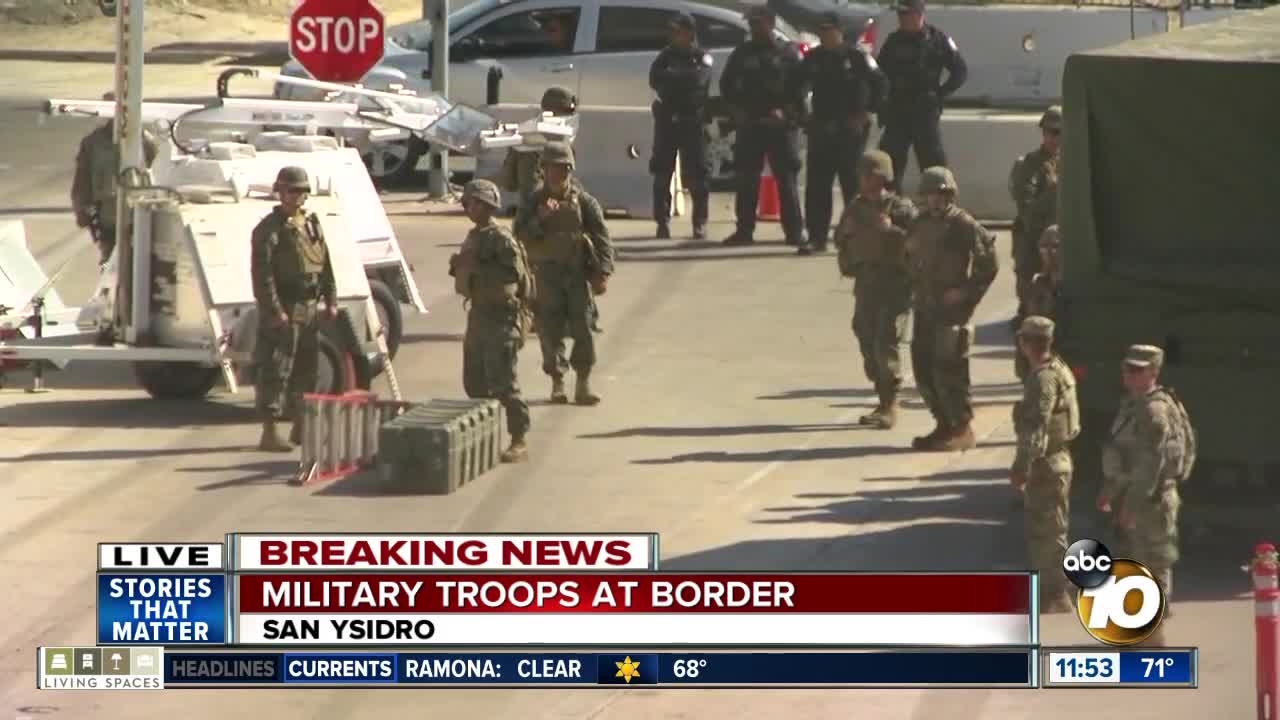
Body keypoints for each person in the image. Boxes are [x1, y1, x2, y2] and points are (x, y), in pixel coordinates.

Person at [1099, 344, 1197, 639]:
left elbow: (1150, 465)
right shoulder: (1134, 404)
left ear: (1154, 372)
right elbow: (1121, 451)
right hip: (1135, 494)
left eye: (1138, 370)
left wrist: (1132, 505)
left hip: (1150, 499)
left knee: (1152, 565)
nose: (1129, 375)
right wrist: (1110, 489)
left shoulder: (1155, 410)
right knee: (1136, 562)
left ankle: (1153, 641)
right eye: (1127, 368)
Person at [904, 166, 998, 451]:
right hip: (924, 306)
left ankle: (961, 426)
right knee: (922, 368)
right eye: (931, 194)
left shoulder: (963, 225)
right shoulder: (919, 223)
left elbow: (988, 263)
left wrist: (966, 292)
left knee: (950, 369)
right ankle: (943, 423)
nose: (936, 200)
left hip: (950, 312)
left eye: (941, 194)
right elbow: (908, 257)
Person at [514, 142, 615, 405]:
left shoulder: (584, 202)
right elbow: (518, 237)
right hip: (545, 275)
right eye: (552, 168)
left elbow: (603, 238)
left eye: (562, 169)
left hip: (576, 274)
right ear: (543, 170)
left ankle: (583, 383)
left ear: (570, 170)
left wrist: (603, 272)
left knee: (584, 328)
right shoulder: (533, 201)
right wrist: (541, 218)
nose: (557, 174)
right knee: (550, 330)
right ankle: (557, 382)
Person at [250, 166, 337, 452]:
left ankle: (301, 424)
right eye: (291, 190)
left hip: (309, 306)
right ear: (280, 192)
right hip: (285, 307)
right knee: (276, 369)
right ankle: (270, 431)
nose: (297, 196)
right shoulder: (268, 230)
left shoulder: (311, 223)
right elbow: (263, 277)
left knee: (308, 369)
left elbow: (324, 263)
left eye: (302, 191)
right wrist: (275, 311)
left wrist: (331, 299)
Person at [449, 179, 534, 463]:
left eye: (472, 203)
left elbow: (517, 278)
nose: (467, 209)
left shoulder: (502, 239)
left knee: (503, 383)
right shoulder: (474, 236)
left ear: (487, 205)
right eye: (466, 204)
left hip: (501, 317)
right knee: (474, 382)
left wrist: (480, 268)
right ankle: (483, 437)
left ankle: (519, 437)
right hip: (479, 316)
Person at [835, 150, 917, 428]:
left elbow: (922, 242)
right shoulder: (855, 208)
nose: (865, 180)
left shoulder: (901, 209)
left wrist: (892, 231)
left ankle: (889, 404)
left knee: (886, 341)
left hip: (895, 284)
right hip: (866, 283)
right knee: (866, 336)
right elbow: (841, 239)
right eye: (863, 175)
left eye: (870, 175)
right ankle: (881, 396)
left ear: (882, 177)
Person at [796, 12, 886, 256]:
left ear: (840, 32)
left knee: (852, 185)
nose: (826, 35)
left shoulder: (857, 58)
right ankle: (816, 237)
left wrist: (867, 112)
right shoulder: (813, 58)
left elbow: (881, 84)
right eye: (822, 31)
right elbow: (796, 88)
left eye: (830, 31)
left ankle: (857, 237)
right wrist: (803, 116)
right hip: (822, 129)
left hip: (850, 130)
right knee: (817, 186)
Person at [719, 5, 806, 247]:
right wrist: (736, 111)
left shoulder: (788, 53)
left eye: (757, 23)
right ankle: (744, 230)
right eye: (751, 24)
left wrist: (787, 114)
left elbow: (800, 90)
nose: (753, 28)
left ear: (770, 22)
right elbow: (726, 86)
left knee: (786, 180)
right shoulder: (742, 53)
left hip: (780, 127)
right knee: (747, 179)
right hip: (751, 125)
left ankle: (794, 231)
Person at [1010, 316, 1079, 613]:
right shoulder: (1058, 368)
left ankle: (1055, 594)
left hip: (1046, 462)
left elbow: (1037, 426)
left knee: (1047, 530)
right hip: (1057, 458)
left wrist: (1021, 467)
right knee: (1050, 526)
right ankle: (1052, 590)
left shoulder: (1043, 379)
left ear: (1026, 343)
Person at [875, 0, 967, 190]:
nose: (901, 19)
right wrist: (881, 104)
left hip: (924, 112)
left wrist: (940, 94)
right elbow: (879, 75)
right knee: (890, 166)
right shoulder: (893, 41)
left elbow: (960, 71)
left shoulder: (937, 39)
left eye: (905, 14)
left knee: (933, 167)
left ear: (918, 14)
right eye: (899, 14)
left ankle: (938, 212)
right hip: (897, 112)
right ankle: (892, 211)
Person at [70, 91, 159, 265]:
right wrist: (81, 209)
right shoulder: (93, 143)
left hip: (140, 215)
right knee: (111, 266)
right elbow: (82, 180)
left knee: (143, 267)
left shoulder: (146, 141)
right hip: (108, 217)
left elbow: (158, 174)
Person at [649, 11, 713, 241]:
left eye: (678, 31)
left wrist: (673, 77)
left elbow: (699, 80)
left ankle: (699, 224)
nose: (674, 35)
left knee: (698, 176)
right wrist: (679, 77)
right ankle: (662, 223)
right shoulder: (666, 55)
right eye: (673, 31)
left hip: (692, 121)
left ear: (689, 33)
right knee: (662, 174)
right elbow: (654, 78)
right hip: (668, 121)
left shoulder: (701, 56)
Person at [1009, 106, 1061, 325]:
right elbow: (1026, 203)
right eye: (1052, 132)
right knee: (1029, 286)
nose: (1056, 138)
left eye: (1060, 133)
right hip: (1033, 234)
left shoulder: (1071, 162)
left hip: (1060, 236)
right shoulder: (1030, 164)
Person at [498, 86, 579, 215]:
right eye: (567, 111)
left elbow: (509, 182)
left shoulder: (531, 131)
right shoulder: (531, 139)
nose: (570, 116)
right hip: (537, 214)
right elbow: (516, 184)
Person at [1015, 224, 1061, 380]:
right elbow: (1026, 318)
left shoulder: (1072, 284)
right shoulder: (1037, 283)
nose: (1049, 252)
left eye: (1055, 246)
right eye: (1044, 246)